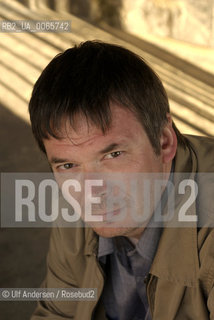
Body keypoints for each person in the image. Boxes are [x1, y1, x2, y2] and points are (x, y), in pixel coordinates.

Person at [29, 41, 214, 319]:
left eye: (113, 154)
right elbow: (57, 313)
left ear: (164, 141)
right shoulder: (74, 205)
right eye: (68, 164)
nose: (92, 191)